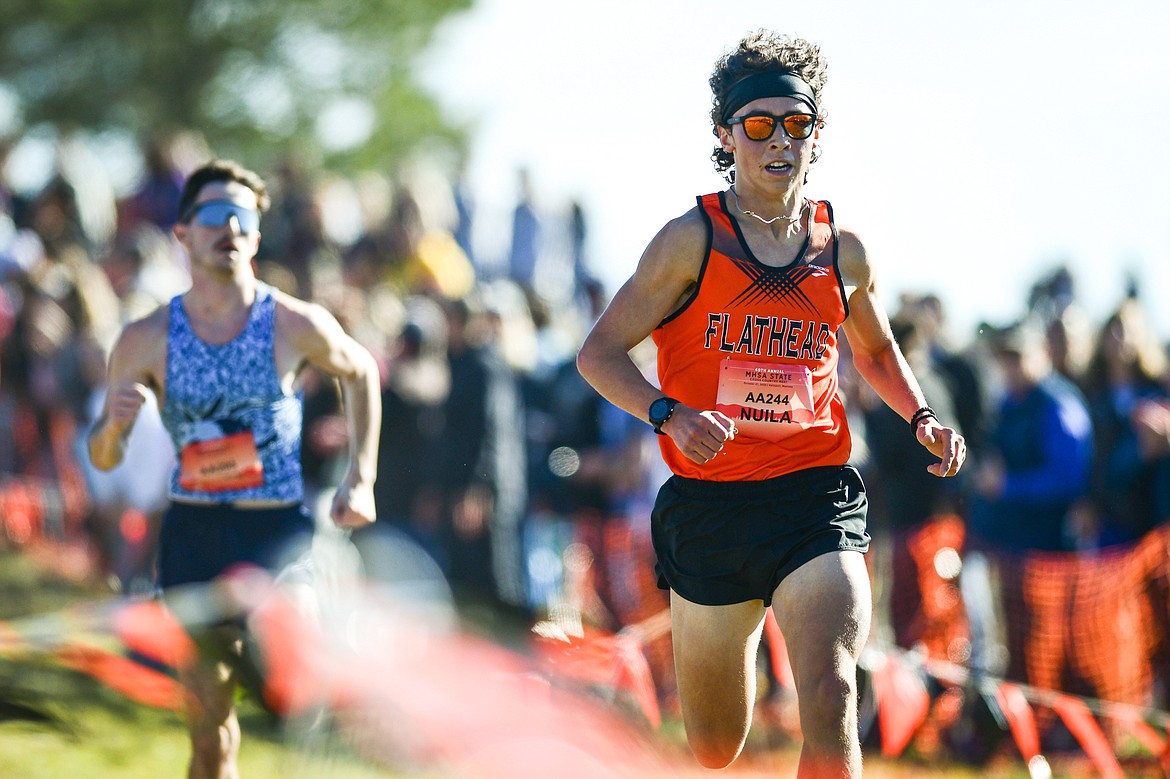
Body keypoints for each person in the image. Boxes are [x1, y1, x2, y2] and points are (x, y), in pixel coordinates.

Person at [576, 30, 965, 776]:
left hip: (813, 495)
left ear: (818, 134)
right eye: (759, 124)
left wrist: (921, 416)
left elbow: (876, 352)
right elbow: (598, 352)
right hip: (711, 507)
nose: (780, 140)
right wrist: (667, 413)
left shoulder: (840, 248)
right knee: (717, 745)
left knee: (831, 691)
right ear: (725, 135)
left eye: (798, 123)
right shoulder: (689, 241)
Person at [87, 159, 381, 779]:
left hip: (274, 531)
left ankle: (312, 681)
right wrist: (114, 426)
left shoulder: (294, 322)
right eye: (215, 214)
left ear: (256, 234)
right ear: (183, 234)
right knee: (209, 729)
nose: (230, 227)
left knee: (285, 655)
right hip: (193, 536)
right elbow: (103, 459)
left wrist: (362, 476)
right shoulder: (144, 339)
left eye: (243, 216)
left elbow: (360, 373)